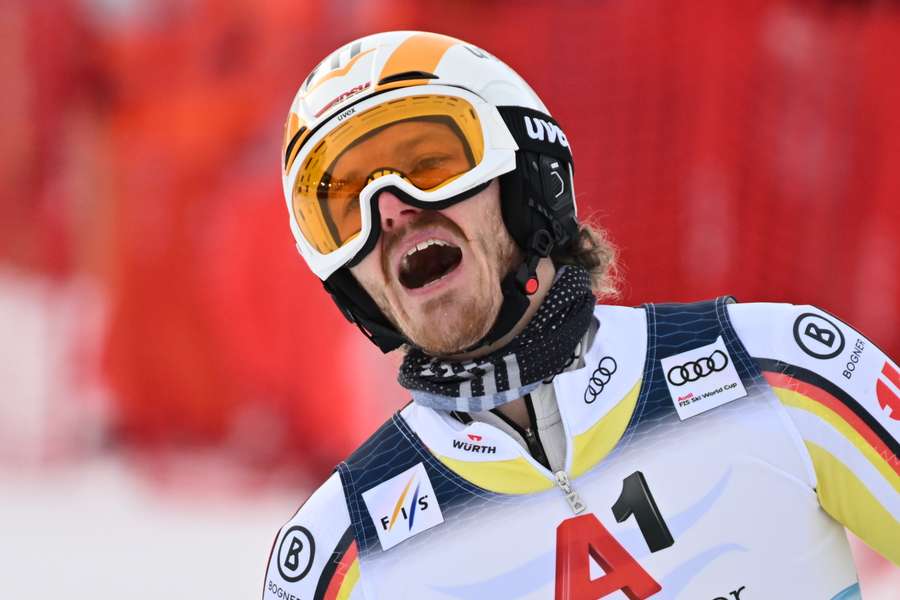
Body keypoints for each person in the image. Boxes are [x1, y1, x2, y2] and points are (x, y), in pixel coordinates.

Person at [264, 31, 898, 600]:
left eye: (432, 162)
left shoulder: (782, 372)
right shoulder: (338, 559)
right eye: (344, 208)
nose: (392, 209)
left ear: (530, 179)